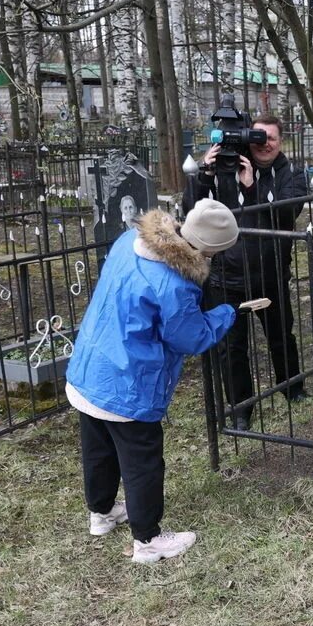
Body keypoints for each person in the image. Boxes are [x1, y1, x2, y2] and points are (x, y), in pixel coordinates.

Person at [66, 199, 240, 563]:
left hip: (90, 368)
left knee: (98, 447)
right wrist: (226, 313)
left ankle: (101, 514)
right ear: (209, 250)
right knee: (142, 459)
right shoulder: (175, 282)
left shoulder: (128, 242)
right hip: (128, 383)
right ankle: (147, 540)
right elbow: (190, 337)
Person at [185, 114, 309, 427]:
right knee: (232, 348)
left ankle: (292, 389)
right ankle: (241, 409)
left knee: (281, 337)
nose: (264, 144)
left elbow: (285, 217)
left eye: (271, 138)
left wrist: (252, 188)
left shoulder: (290, 173)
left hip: (271, 274)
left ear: (281, 142)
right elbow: (191, 214)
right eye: (258, 137)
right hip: (227, 277)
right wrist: (204, 174)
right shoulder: (225, 169)